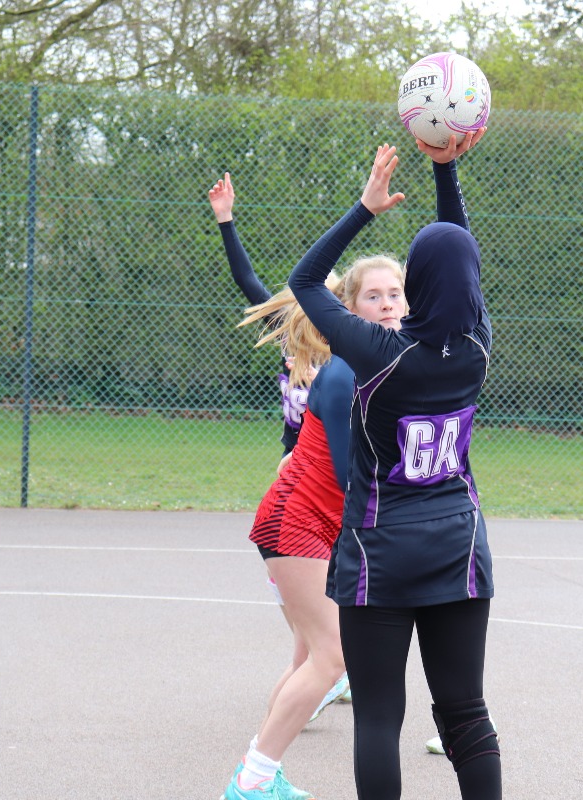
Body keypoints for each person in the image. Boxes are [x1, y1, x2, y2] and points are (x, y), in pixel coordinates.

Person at [289, 133, 501, 800]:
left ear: (416, 282)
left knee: (380, 717)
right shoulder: (476, 345)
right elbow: (457, 253)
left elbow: (301, 281)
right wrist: (448, 169)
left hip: (380, 548)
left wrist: (366, 208)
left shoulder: (378, 351)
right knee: (465, 713)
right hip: (459, 545)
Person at [221, 254, 407, 800]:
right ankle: (251, 780)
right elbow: (356, 479)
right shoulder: (346, 371)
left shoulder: (377, 367)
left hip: (310, 523)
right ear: (348, 310)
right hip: (297, 524)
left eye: (395, 293)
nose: (387, 304)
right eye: (372, 296)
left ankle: (259, 769)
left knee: (308, 656)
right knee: (331, 658)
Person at [208, 174, 351, 714]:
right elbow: (246, 280)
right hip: (297, 473)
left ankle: (330, 661)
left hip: (326, 469)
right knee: (304, 587)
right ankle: (324, 663)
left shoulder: (348, 350)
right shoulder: (295, 345)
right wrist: (226, 220)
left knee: (339, 577)